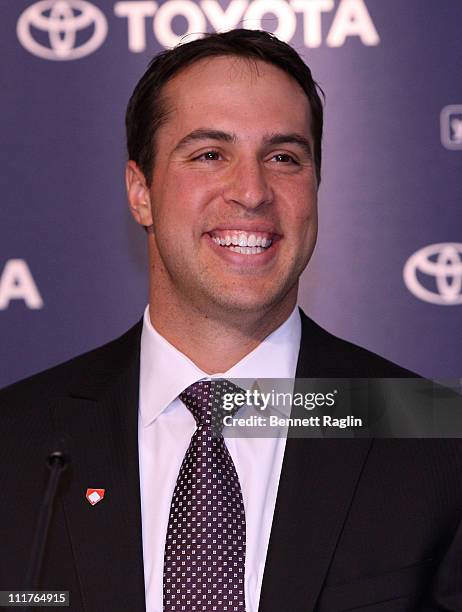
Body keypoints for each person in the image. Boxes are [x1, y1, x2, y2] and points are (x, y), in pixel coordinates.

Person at [1, 29, 461, 612]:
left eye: (283, 158)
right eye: (210, 154)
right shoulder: (16, 444)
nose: (252, 191)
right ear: (140, 191)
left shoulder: (440, 439)